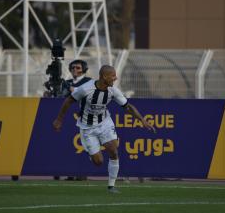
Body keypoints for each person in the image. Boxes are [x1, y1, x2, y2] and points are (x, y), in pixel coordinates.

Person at [53, 65, 156, 193]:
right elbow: (69, 101)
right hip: (87, 127)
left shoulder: (113, 90)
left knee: (113, 150)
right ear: (104, 77)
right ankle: (93, 155)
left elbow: (128, 107)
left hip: (104, 122)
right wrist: (59, 119)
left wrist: (142, 120)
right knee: (98, 161)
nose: (116, 78)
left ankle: (111, 186)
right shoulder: (85, 89)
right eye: (113, 76)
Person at [56, 59, 91, 181]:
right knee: (67, 145)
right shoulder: (66, 82)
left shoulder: (89, 81)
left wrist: (71, 89)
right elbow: (60, 98)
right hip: (68, 118)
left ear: (84, 69)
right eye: (73, 68)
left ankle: (82, 172)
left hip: (83, 117)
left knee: (83, 144)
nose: (75, 70)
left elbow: (85, 95)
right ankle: (68, 171)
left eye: (78, 68)